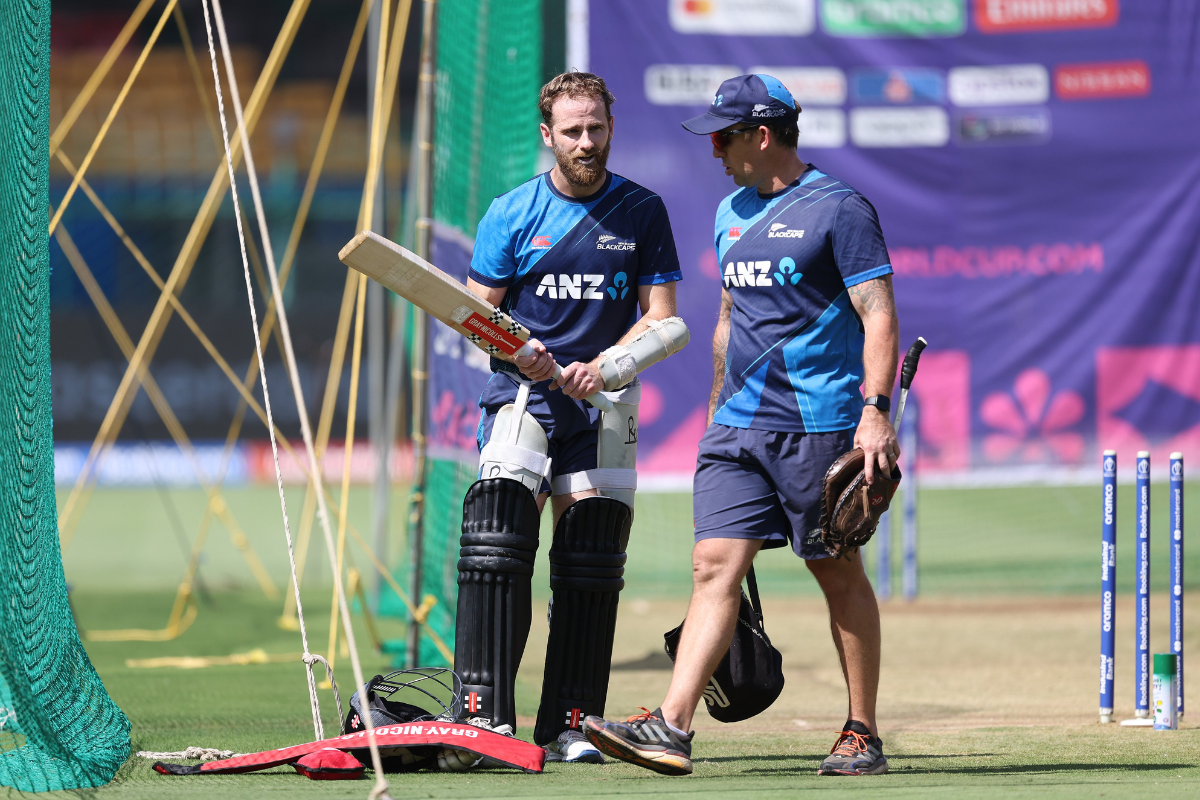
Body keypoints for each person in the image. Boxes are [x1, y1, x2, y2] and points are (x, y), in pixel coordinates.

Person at [583, 74, 900, 777]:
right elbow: (728, 321)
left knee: (835, 570)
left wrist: (875, 414)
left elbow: (878, 313)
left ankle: (861, 731)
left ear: (762, 134)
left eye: (724, 136)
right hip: (736, 429)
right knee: (711, 566)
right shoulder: (729, 211)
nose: (715, 149)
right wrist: (712, 415)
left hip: (818, 426)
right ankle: (671, 726)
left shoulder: (840, 208)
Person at [446, 71, 684, 767]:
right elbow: (473, 314)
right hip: (524, 399)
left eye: (596, 128)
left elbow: (663, 322)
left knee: (589, 558)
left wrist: (606, 366)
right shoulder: (513, 211)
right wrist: (519, 351)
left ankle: (572, 722)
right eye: (572, 131)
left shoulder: (642, 210)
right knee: (497, 540)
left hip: (601, 406)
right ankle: (483, 715)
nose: (586, 142)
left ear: (611, 127)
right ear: (548, 135)